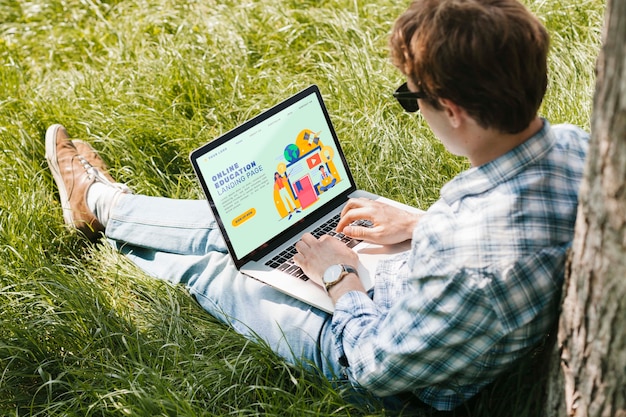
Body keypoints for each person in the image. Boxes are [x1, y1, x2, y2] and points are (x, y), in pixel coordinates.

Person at [44, 0, 589, 411]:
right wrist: (425, 224)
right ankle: (105, 204)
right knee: (256, 233)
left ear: (451, 111)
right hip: (445, 305)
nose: (413, 107)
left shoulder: (466, 257)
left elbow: (376, 366)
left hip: (398, 362)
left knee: (228, 267)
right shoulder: (581, 149)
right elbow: (508, 244)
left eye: (411, 97)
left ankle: (102, 205)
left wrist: (340, 281)